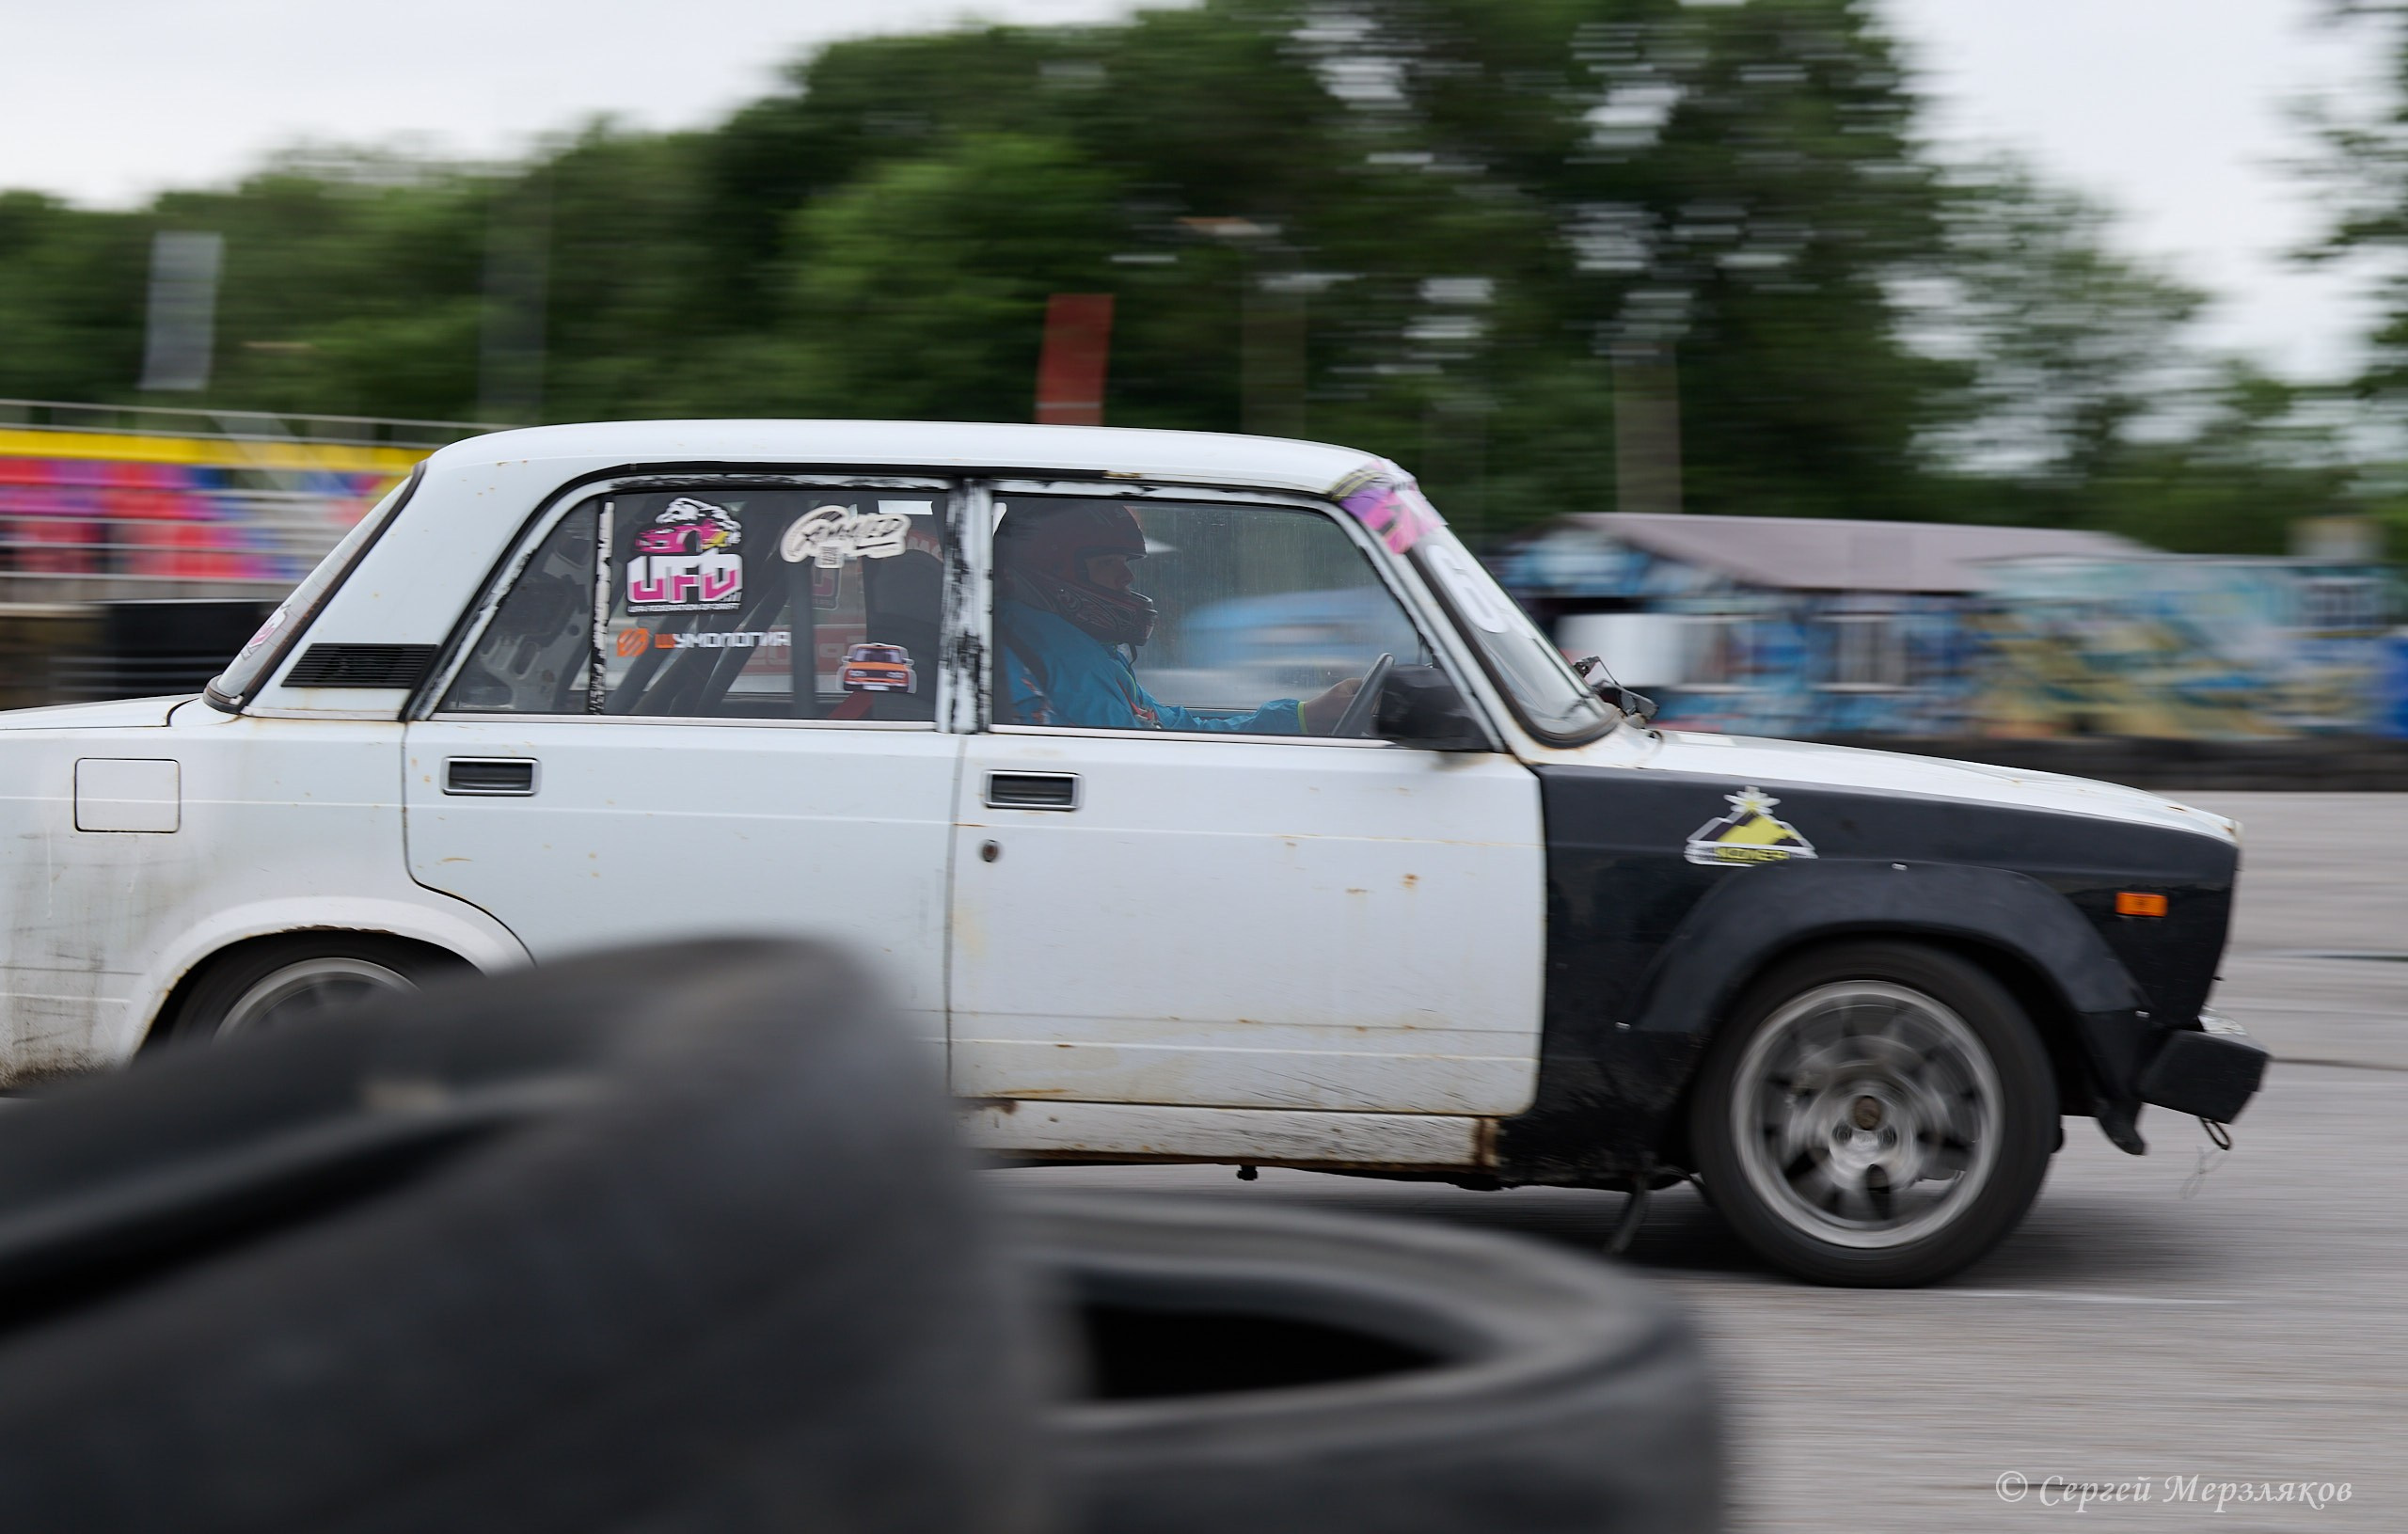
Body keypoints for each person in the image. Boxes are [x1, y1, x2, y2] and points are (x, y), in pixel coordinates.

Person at [992, 502, 1362, 733]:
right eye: (1107, 563)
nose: (1127, 577)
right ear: (1054, 572)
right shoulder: (1058, 651)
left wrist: (1304, 716)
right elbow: (1133, 750)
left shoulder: (1078, 648)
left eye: (1125, 562)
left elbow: (1166, 724)